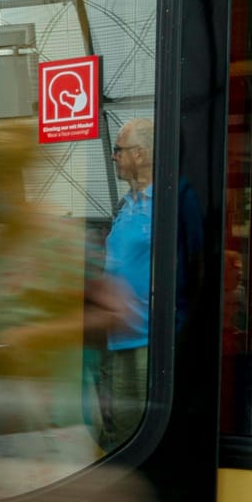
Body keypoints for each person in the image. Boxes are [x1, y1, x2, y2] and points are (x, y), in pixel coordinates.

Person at [102, 118, 155, 447]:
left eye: (118, 150)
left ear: (141, 154)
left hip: (148, 341)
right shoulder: (126, 207)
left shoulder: (164, 206)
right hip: (118, 338)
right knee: (122, 433)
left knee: (141, 434)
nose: (113, 157)